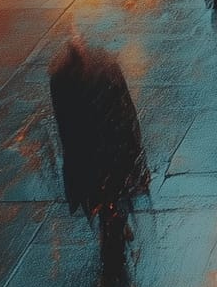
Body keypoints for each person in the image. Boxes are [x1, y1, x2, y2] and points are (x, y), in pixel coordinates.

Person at [48, 36, 150, 273]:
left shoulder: (61, 79)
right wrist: (134, 139)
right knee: (112, 193)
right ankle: (113, 240)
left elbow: (63, 121)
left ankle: (110, 230)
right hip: (109, 149)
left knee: (95, 197)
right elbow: (126, 107)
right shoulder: (104, 69)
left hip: (86, 153)